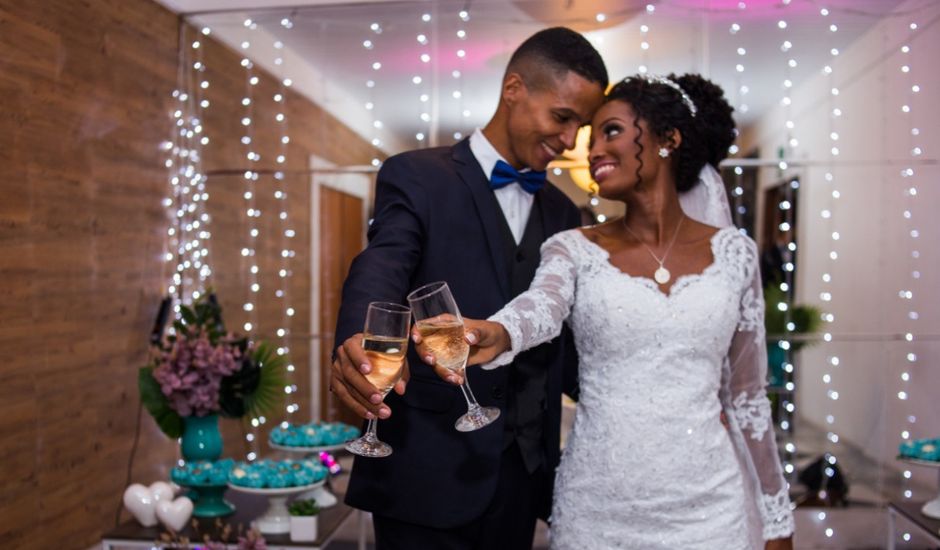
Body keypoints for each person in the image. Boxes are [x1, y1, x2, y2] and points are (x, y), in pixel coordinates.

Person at [458, 74, 796, 549]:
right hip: (598, 509)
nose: (593, 150)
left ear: (667, 140)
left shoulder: (735, 254)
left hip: (711, 509)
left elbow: (747, 398)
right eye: (589, 138)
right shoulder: (572, 247)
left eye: (610, 131)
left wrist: (776, 517)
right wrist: (501, 331)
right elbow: (542, 305)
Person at [329, 27, 607, 549]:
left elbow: (566, 329)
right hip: (427, 472)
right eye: (563, 117)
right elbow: (382, 263)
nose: (571, 141)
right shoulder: (417, 176)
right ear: (514, 89)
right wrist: (362, 336)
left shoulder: (566, 212)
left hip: (524, 475)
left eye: (582, 126)